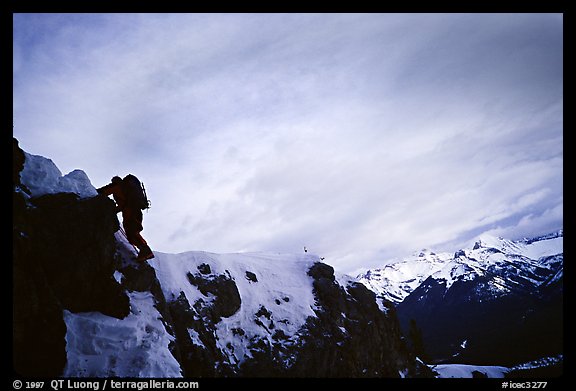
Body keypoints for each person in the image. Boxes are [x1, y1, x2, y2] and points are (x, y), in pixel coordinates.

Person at [97, 175, 154, 261]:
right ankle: (144, 251)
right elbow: (122, 204)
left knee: (132, 231)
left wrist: (92, 192)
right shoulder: (126, 191)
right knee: (132, 231)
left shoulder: (118, 186)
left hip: (131, 212)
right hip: (136, 211)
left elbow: (104, 191)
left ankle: (145, 250)